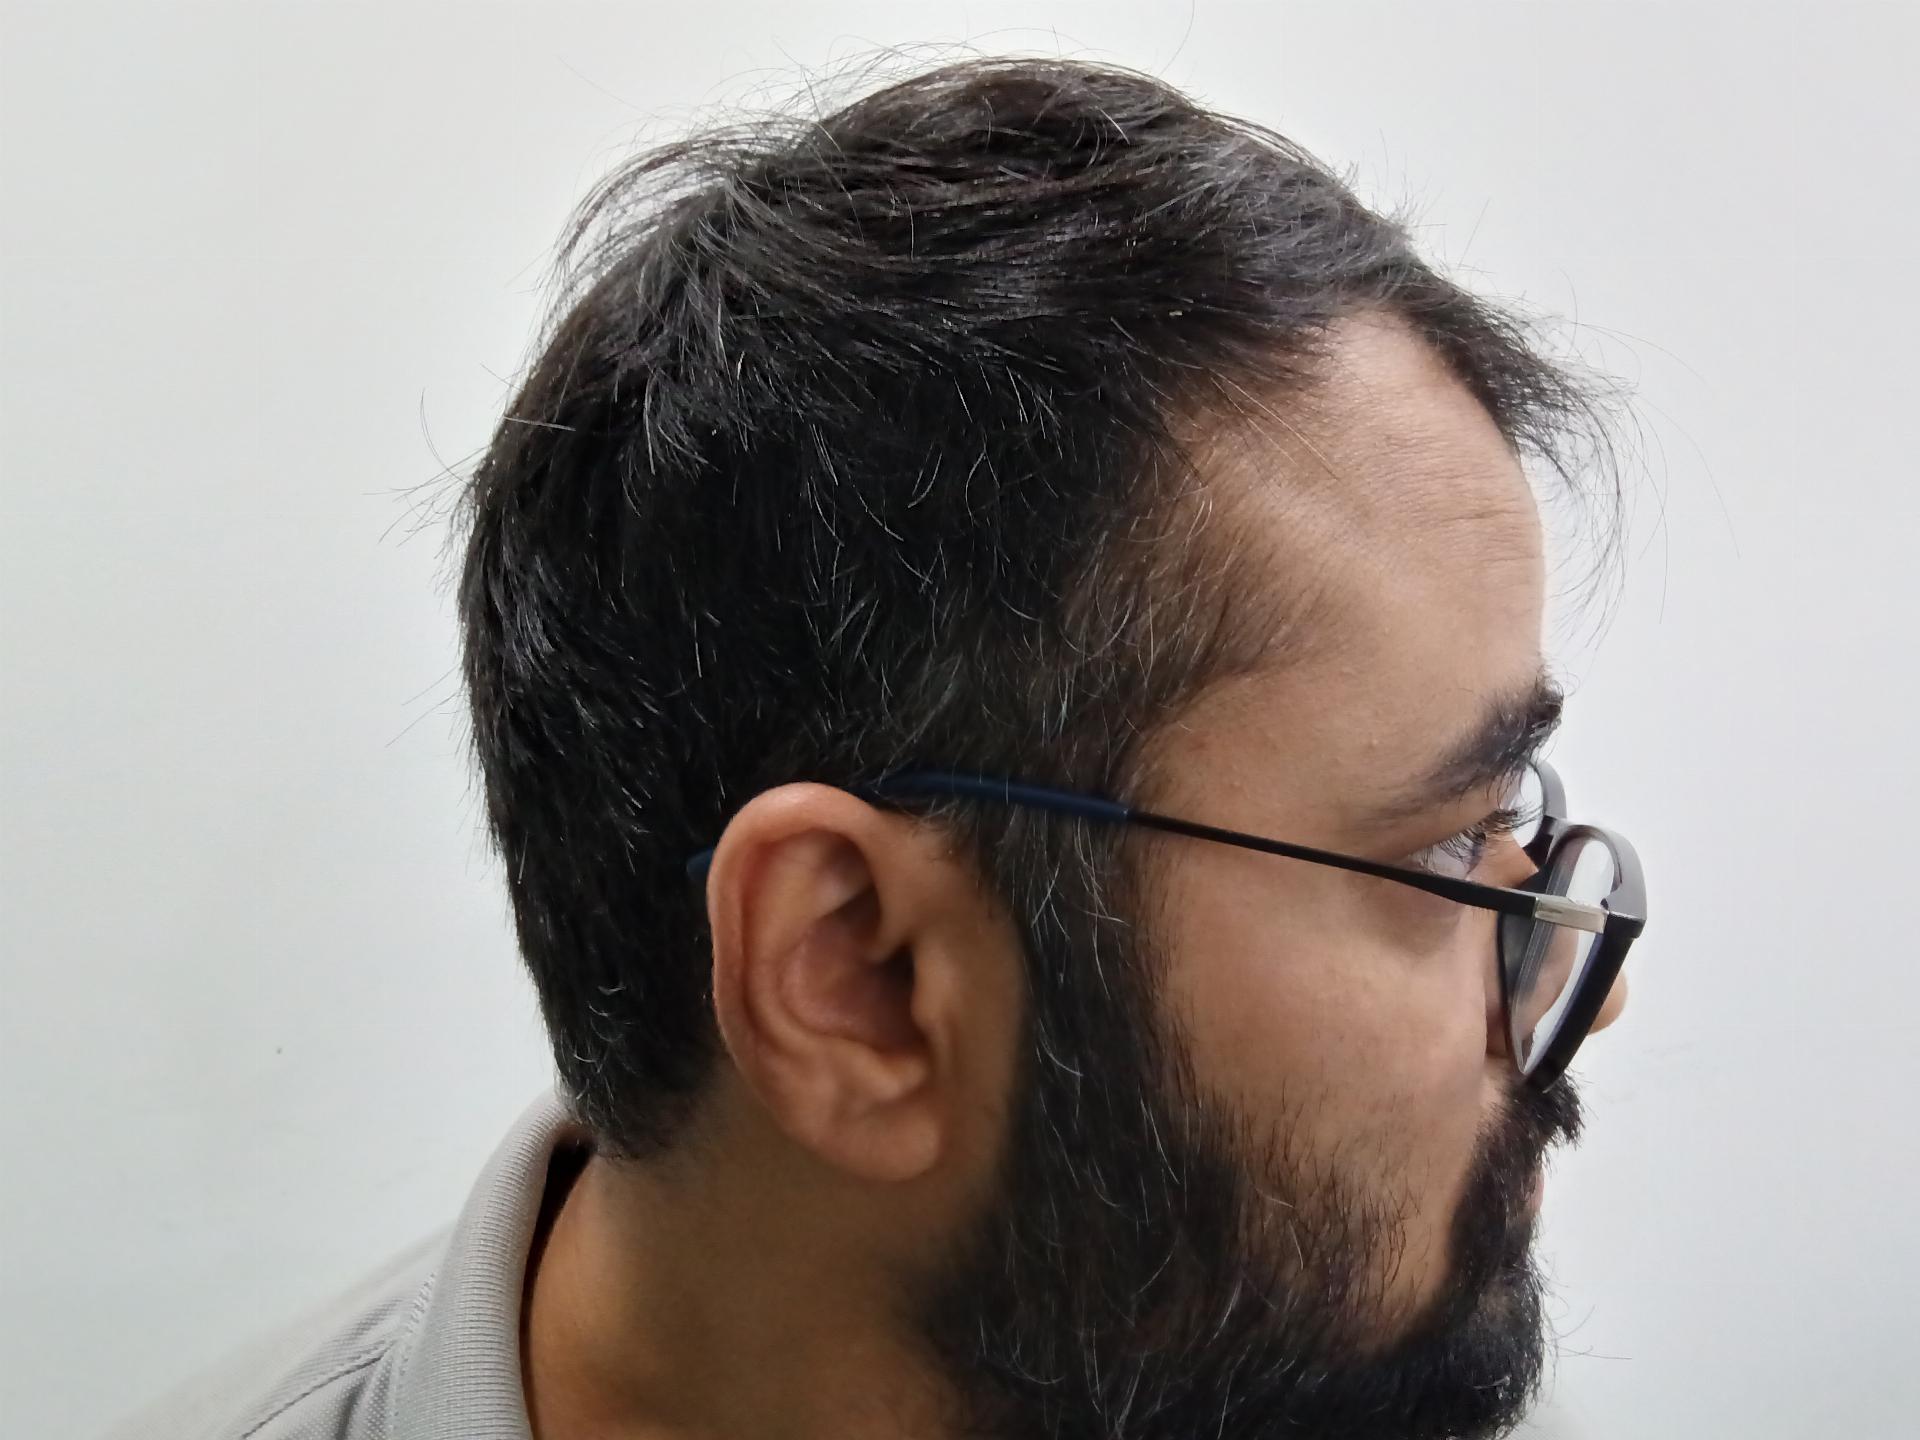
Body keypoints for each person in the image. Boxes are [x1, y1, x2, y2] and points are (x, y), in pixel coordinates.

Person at [103, 54, 1647, 1440]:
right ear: (859, 975)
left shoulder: (1308, 1368)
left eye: (1514, 814)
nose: (1593, 985)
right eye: (1448, 842)